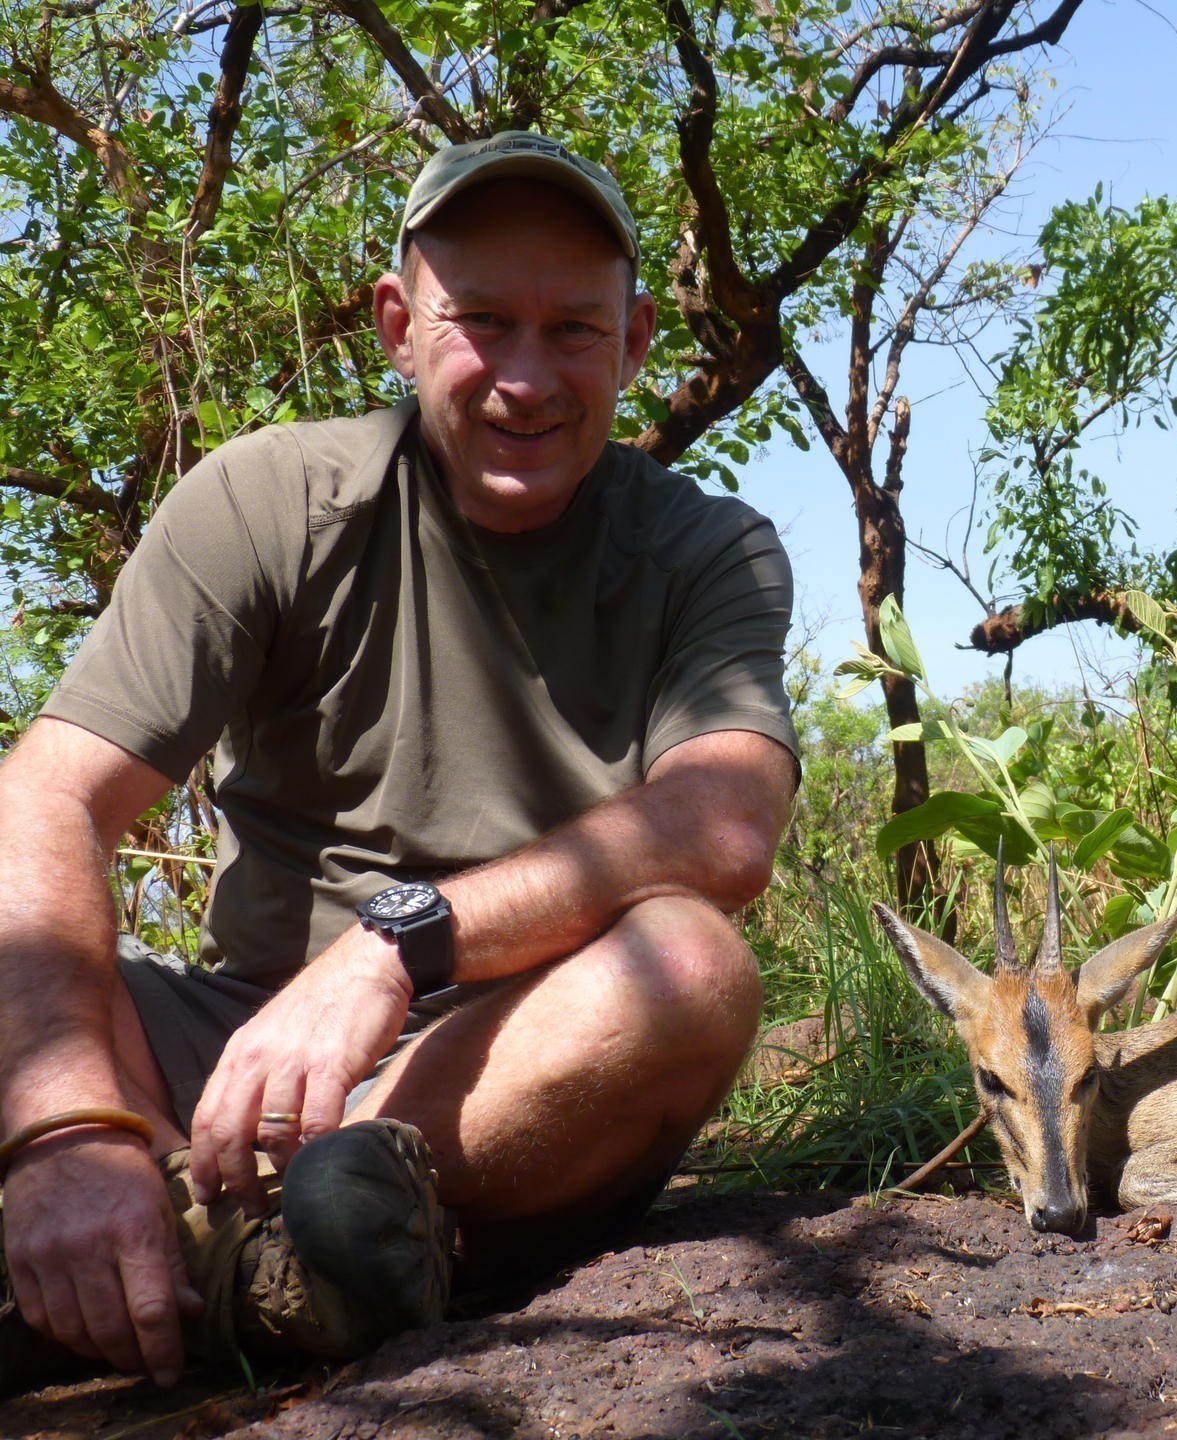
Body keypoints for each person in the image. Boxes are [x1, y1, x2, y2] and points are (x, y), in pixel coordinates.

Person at [0, 132, 798, 1389]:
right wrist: (67, 1127)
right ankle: (230, 1256)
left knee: (692, 966)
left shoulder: (710, 549)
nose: (526, 378)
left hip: (509, 1059)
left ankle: (220, 1250)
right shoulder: (265, 499)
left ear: (638, 341)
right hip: (227, 1044)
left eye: (575, 331)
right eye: (481, 319)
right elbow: (48, 791)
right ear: (397, 323)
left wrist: (395, 941)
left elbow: (726, 824)